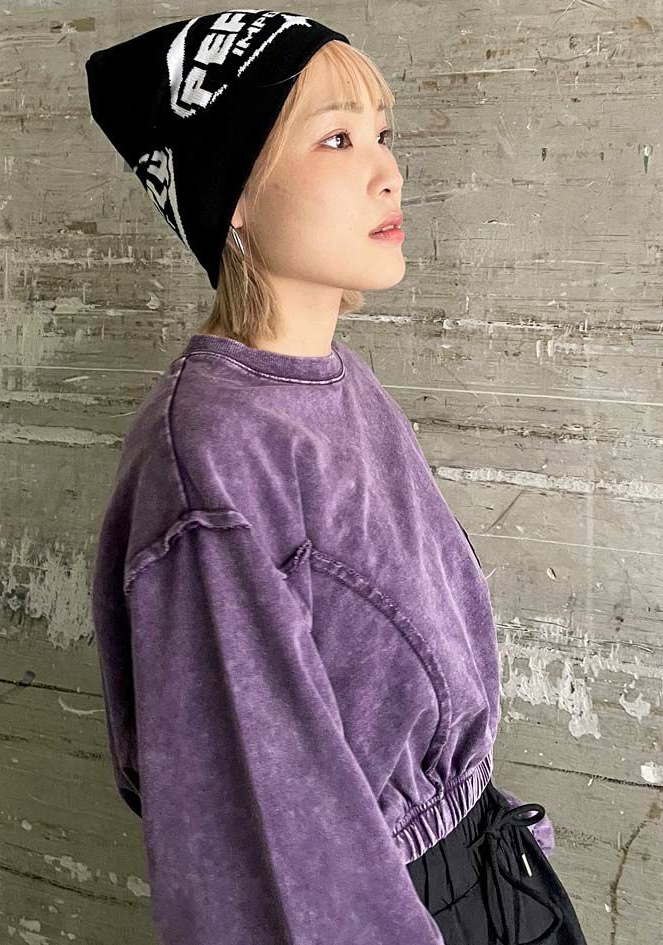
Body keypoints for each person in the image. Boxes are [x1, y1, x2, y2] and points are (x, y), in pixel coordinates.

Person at [86, 10, 590, 945]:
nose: (389, 170)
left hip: (490, 880)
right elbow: (253, 851)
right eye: (336, 138)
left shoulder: (339, 383)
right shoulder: (212, 457)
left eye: (382, 133)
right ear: (234, 193)